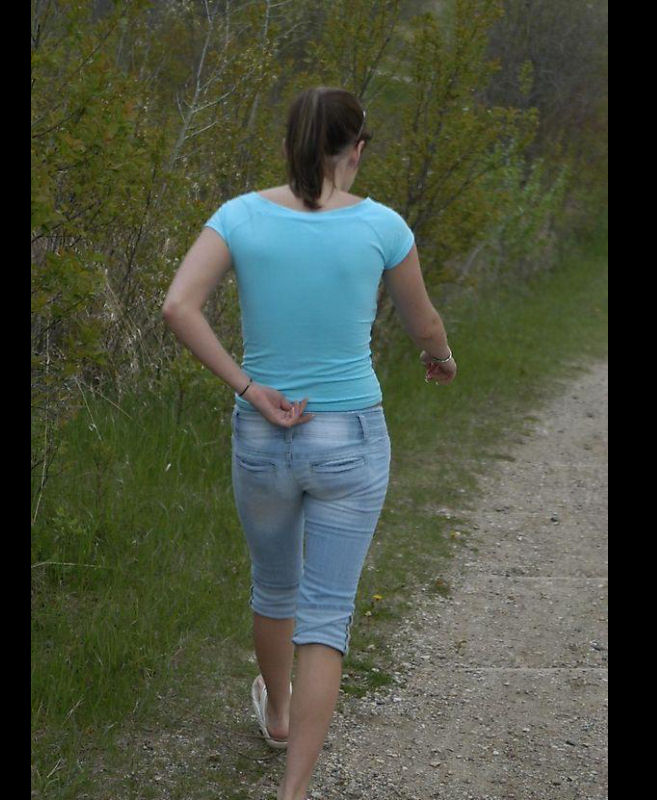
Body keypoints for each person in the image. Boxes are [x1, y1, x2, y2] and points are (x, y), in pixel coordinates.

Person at [162, 86, 457, 800]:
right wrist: (441, 357)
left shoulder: (239, 216)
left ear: (289, 143)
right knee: (326, 613)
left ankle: (279, 715)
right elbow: (423, 322)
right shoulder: (383, 225)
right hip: (349, 435)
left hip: (263, 433)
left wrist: (248, 386)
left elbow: (178, 306)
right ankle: (293, 792)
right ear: (357, 149)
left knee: (274, 585)